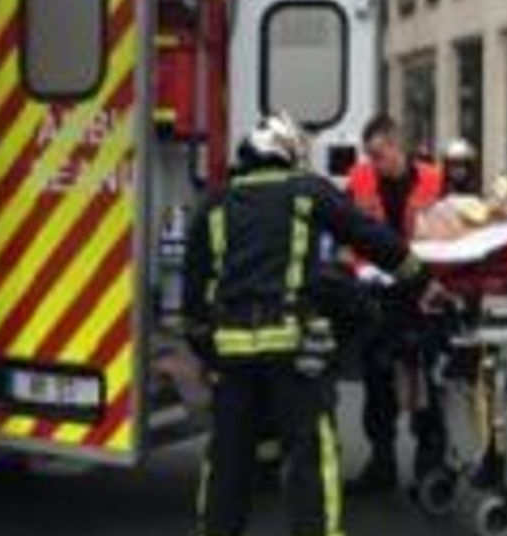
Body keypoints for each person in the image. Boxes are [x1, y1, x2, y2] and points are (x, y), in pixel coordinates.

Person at [183, 112, 435, 536]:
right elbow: (368, 235)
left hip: (233, 358)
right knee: (310, 457)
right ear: (289, 153)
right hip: (292, 354)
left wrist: (211, 352)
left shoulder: (215, 204)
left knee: (227, 459)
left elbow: (194, 297)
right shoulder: (306, 191)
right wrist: (420, 278)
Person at [345, 114, 447, 493]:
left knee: (429, 379)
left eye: (379, 155)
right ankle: (382, 461)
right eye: (370, 156)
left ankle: (429, 464)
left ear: (397, 146)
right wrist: (359, 271)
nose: (375, 163)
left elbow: (452, 233)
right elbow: (345, 235)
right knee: (377, 377)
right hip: (379, 294)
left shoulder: (435, 180)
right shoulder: (359, 180)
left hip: (423, 293)